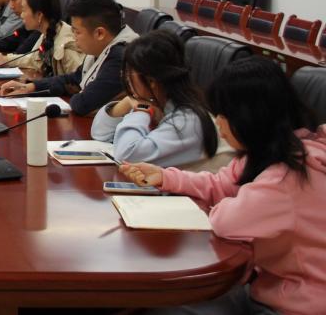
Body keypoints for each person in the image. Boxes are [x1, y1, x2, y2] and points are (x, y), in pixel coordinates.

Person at [121, 57, 326, 315]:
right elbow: (221, 182)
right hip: (270, 283)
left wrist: (228, 201)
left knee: (166, 306)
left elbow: (225, 220)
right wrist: (165, 177)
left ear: (249, 116)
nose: (218, 122)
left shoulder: (287, 179)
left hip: (298, 305)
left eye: (223, 114)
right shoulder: (275, 150)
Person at [91, 31, 219, 168]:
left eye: (129, 73)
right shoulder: (156, 101)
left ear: (151, 81)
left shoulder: (188, 121)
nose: (127, 79)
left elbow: (127, 156)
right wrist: (127, 103)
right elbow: (100, 133)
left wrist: (141, 110)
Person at [0, 0, 137, 116]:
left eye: (77, 32)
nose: (73, 37)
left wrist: (78, 92)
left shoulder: (121, 57)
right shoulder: (101, 48)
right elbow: (73, 78)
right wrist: (31, 87)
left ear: (99, 33)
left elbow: (83, 104)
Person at [0, 0, 84, 77]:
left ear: (39, 15)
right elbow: (32, 59)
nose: (21, 15)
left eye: (24, 10)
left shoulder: (66, 49)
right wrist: (3, 59)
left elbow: (79, 84)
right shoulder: (49, 33)